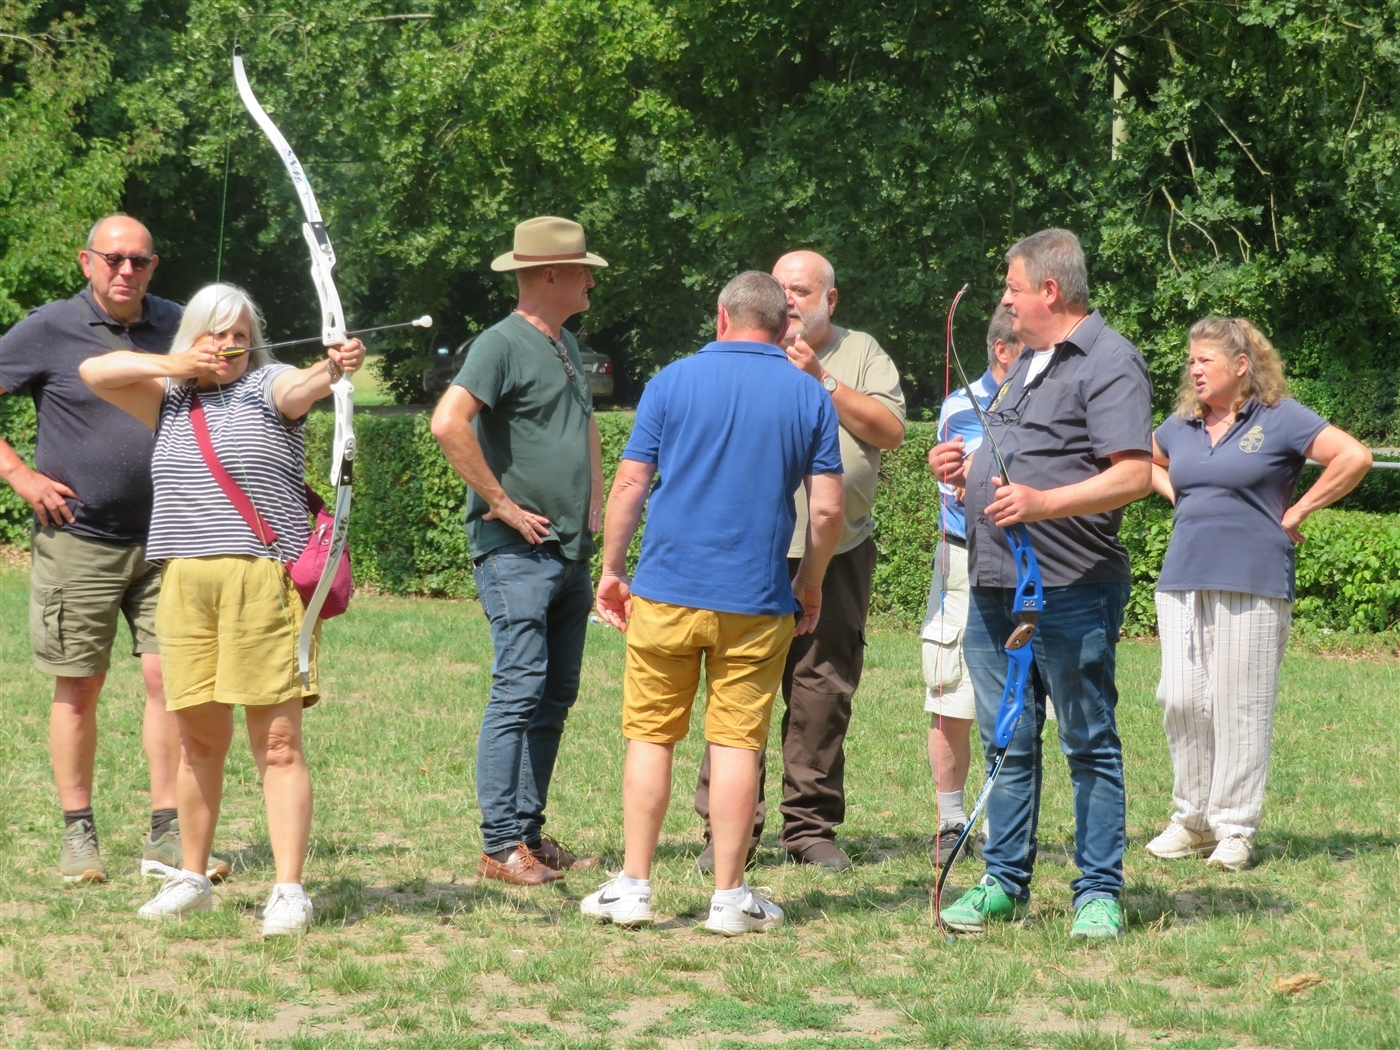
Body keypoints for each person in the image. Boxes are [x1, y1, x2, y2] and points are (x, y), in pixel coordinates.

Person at [80, 283, 366, 935]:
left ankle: (288, 889)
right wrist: (176, 366)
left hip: (259, 580)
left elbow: (303, 386)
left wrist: (334, 366)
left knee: (278, 742)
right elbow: (95, 371)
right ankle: (191, 877)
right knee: (198, 743)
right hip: (184, 584)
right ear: (192, 339)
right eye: (216, 332)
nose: (229, 343)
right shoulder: (169, 397)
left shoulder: (268, 387)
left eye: (240, 333)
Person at [583, 271, 844, 932]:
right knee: (735, 744)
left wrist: (611, 569)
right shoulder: (808, 393)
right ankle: (730, 900)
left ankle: (634, 887)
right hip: (757, 599)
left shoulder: (671, 381)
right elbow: (827, 510)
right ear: (783, 326)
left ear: (722, 317)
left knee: (651, 736)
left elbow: (630, 483)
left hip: (666, 590)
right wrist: (811, 582)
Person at [929, 228, 1153, 940]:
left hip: (1070, 583)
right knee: (1008, 740)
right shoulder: (1026, 361)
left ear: (1049, 291)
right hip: (994, 580)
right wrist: (961, 470)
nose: (1005, 301)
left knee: (1087, 739)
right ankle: (1003, 883)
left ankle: (1098, 893)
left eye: (1013, 288)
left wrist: (1042, 503)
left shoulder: (1111, 361)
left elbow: (1133, 474)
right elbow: (1018, 455)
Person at [0, 215, 224, 885]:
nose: (126, 270)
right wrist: (20, 476)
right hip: (80, 537)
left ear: (154, 266)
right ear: (86, 261)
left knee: (170, 682)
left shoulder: (179, 323)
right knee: (78, 685)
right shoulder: (49, 327)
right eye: (113, 259)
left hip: (171, 537)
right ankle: (79, 833)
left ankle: (167, 833)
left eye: (139, 261)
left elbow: (245, 382)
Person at [692, 250, 905, 872]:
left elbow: (891, 431)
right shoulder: (744, 349)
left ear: (830, 300)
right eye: (780, 288)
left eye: (802, 290)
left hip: (836, 551)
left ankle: (809, 829)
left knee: (822, 690)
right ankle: (727, 829)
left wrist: (822, 379)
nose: (789, 300)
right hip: (750, 548)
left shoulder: (861, 352)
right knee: (737, 687)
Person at [1147, 317, 1370, 871]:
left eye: (1206, 360)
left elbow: (1354, 456)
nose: (1194, 370)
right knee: (1180, 699)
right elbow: (1142, 462)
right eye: (1191, 361)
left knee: (1238, 704)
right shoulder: (1181, 425)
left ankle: (1234, 828)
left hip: (1254, 575)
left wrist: (1298, 510)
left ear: (1242, 365)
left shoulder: (1281, 417)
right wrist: (1180, 495)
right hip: (1182, 577)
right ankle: (1192, 821)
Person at [430, 216, 606, 886]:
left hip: (567, 552)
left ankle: (528, 836)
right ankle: (499, 845)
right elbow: (448, 421)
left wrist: (593, 502)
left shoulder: (565, 342)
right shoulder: (500, 344)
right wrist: (501, 504)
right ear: (551, 273)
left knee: (554, 693)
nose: (591, 281)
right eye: (583, 269)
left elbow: (582, 425)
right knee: (520, 689)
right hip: (516, 554)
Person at [923, 305, 1021, 868]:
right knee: (950, 692)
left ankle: (1003, 821)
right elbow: (950, 482)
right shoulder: (959, 405)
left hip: (1028, 563)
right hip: (961, 559)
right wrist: (954, 477)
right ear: (1003, 350)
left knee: (1016, 699)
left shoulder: (1046, 401)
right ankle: (951, 820)